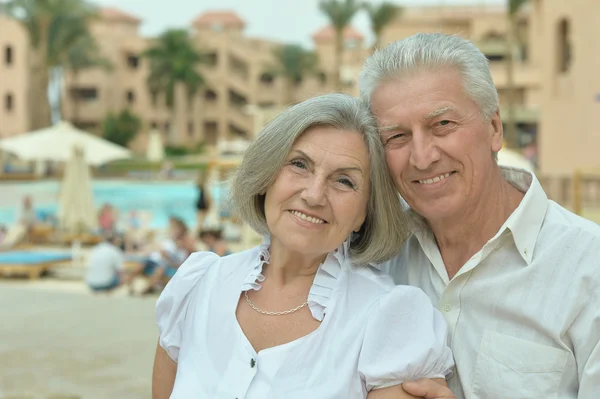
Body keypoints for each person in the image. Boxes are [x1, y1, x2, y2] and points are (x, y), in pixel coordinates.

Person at [152, 94, 454, 398]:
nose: (313, 194)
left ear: (364, 213)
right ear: (267, 176)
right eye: (299, 165)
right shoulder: (197, 285)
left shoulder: (391, 321)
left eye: (344, 181)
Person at [359, 32, 600, 399]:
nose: (422, 158)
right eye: (397, 137)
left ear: (494, 128)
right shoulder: (371, 259)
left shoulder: (589, 270)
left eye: (443, 125)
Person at [136, 217, 195, 295]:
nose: (172, 230)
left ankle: (147, 289)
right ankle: (147, 286)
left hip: (175, 266)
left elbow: (187, 257)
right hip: (167, 263)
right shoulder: (173, 241)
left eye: (174, 228)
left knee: (160, 269)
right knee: (147, 265)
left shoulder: (184, 242)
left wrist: (168, 257)